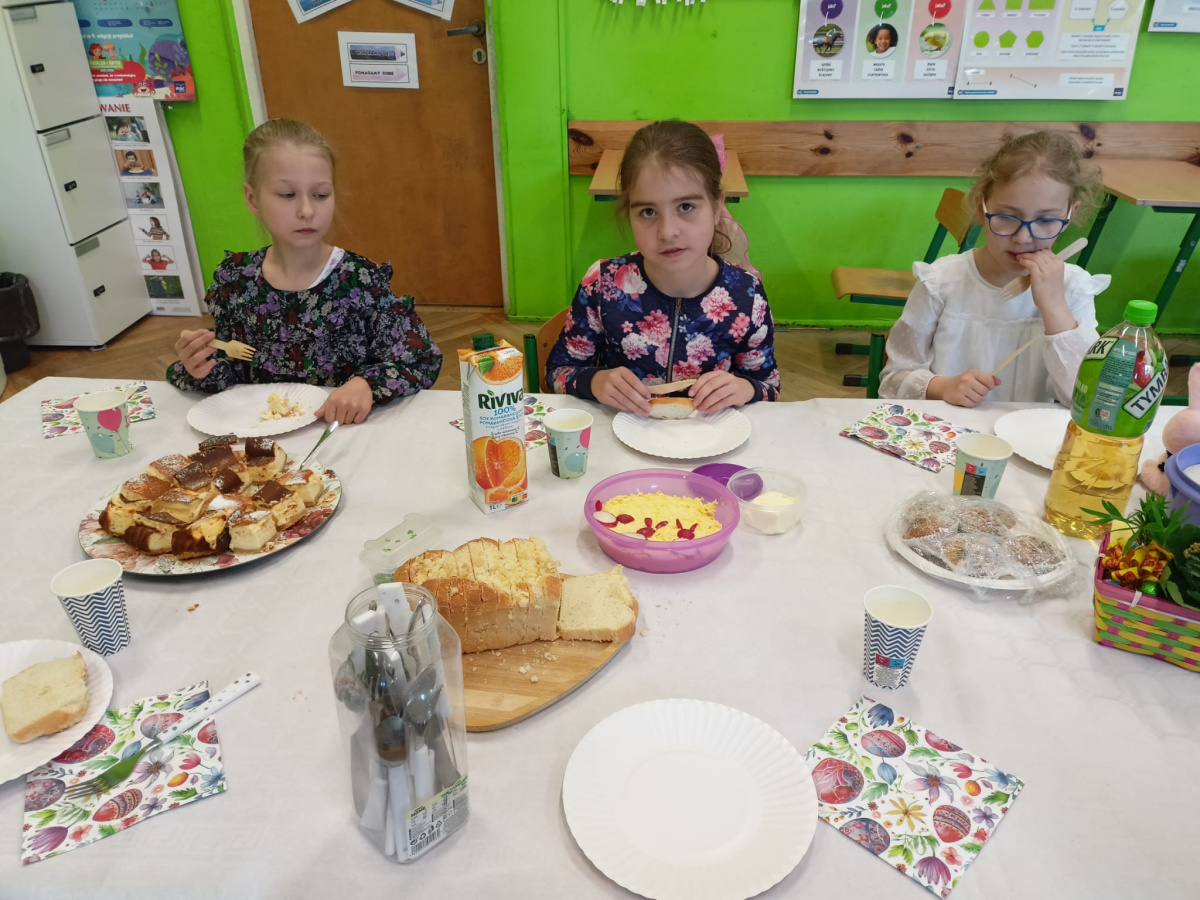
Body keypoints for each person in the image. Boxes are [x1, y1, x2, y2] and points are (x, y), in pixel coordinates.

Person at [167, 118, 442, 424]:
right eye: (287, 195)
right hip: (261, 434)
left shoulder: (360, 280)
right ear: (252, 199)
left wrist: (367, 383)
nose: (307, 211)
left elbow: (421, 359)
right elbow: (231, 368)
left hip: (341, 432)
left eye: (321, 195)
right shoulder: (236, 280)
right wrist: (199, 367)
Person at [545, 119, 779, 415]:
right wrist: (594, 381)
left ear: (716, 206)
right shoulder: (603, 284)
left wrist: (745, 388)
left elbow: (769, 388)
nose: (667, 232)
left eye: (686, 207)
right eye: (648, 212)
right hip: (623, 437)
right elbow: (557, 372)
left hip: (710, 437)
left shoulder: (747, 295)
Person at [879, 130, 1109, 407]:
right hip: (947, 427)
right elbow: (893, 381)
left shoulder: (1074, 289)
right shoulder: (941, 282)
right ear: (982, 209)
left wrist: (1055, 307)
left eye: (1046, 221)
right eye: (1007, 217)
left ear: (1069, 216)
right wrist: (943, 387)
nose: (1023, 238)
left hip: (1030, 431)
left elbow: (1086, 400)